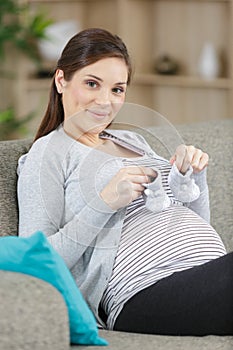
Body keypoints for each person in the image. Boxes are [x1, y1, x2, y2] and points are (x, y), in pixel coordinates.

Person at [17, 28, 233, 336]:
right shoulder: (48, 154)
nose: (105, 101)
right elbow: (36, 257)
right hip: (143, 293)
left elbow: (190, 223)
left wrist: (193, 178)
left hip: (202, 275)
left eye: (118, 89)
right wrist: (103, 202)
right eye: (92, 84)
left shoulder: (132, 140)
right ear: (61, 80)